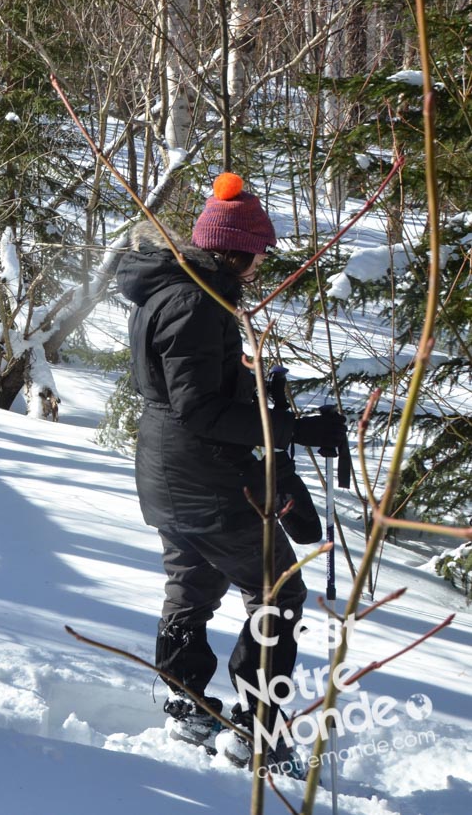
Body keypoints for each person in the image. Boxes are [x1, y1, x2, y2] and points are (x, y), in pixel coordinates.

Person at [115, 172, 343, 775]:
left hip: (168, 473)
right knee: (279, 590)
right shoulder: (195, 300)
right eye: (261, 248)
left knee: (191, 585)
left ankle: (186, 703)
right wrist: (286, 428)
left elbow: (191, 387)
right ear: (238, 249)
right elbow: (198, 407)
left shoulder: (179, 289)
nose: (265, 259)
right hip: (203, 478)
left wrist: (252, 388)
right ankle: (257, 729)